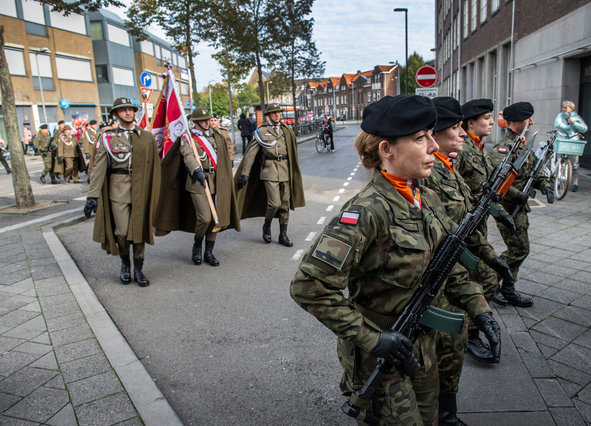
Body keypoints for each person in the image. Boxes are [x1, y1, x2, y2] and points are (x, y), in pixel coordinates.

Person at [290, 95, 500, 424]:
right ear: (386, 149)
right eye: (420, 138)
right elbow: (308, 285)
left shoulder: (426, 196)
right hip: (382, 358)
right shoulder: (366, 211)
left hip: (423, 349)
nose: (433, 146)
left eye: (431, 135)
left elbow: (447, 264)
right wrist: (372, 339)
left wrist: (480, 309)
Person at [425, 97, 512, 421]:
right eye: (456, 127)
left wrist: (489, 255)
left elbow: (464, 217)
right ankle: (443, 413)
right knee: (447, 344)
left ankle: (445, 410)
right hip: (439, 273)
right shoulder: (429, 174)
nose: (462, 133)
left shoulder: (445, 167)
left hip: (456, 263)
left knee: (453, 341)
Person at [84, 97, 161, 287]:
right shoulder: (107, 137)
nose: (128, 113)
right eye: (123, 110)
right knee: (122, 231)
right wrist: (92, 196)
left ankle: (139, 269)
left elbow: (154, 167)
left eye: (130, 109)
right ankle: (125, 264)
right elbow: (99, 168)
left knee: (140, 231)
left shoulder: (147, 137)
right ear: (115, 114)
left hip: (141, 188)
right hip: (118, 188)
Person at [154, 107, 240, 266]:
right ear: (195, 122)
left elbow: (223, 156)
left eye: (208, 119)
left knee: (216, 218)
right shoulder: (188, 138)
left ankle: (209, 251)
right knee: (205, 218)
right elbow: (187, 155)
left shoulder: (217, 136)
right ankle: (197, 244)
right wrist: (196, 170)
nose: (207, 122)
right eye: (203, 120)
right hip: (198, 182)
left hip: (217, 180)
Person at [489, 101, 553, 307]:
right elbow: (497, 180)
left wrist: (545, 185)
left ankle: (508, 287)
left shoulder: (522, 143)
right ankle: (490, 282)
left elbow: (535, 168)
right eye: (528, 118)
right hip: (508, 208)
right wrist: (518, 195)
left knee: (518, 248)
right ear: (516, 122)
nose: (531, 122)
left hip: (520, 209)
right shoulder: (503, 149)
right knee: (519, 249)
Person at [235, 103, 305, 247]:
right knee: (274, 203)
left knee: (285, 204)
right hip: (269, 170)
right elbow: (250, 154)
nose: (277, 115)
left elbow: (293, 150)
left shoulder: (286, 130)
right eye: (273, 113)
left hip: (285, 169)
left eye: (278, 113)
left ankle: (283, 234)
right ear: (268, 115)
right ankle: (266, 225)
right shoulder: (261, 131)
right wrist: (244, 174)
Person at [553, 100, 588, 191]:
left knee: (574, 164)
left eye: (566, 107)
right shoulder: (560, 116)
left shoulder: (576, 117)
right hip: (562, 141)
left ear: (571, 109)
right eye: (563, 107)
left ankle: (575, 182)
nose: (563, 109)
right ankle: (559, 180)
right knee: (561, 161)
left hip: (573, 142)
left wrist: (574, 123)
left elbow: (584, 128)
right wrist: (569, 127)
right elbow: (558, 124)